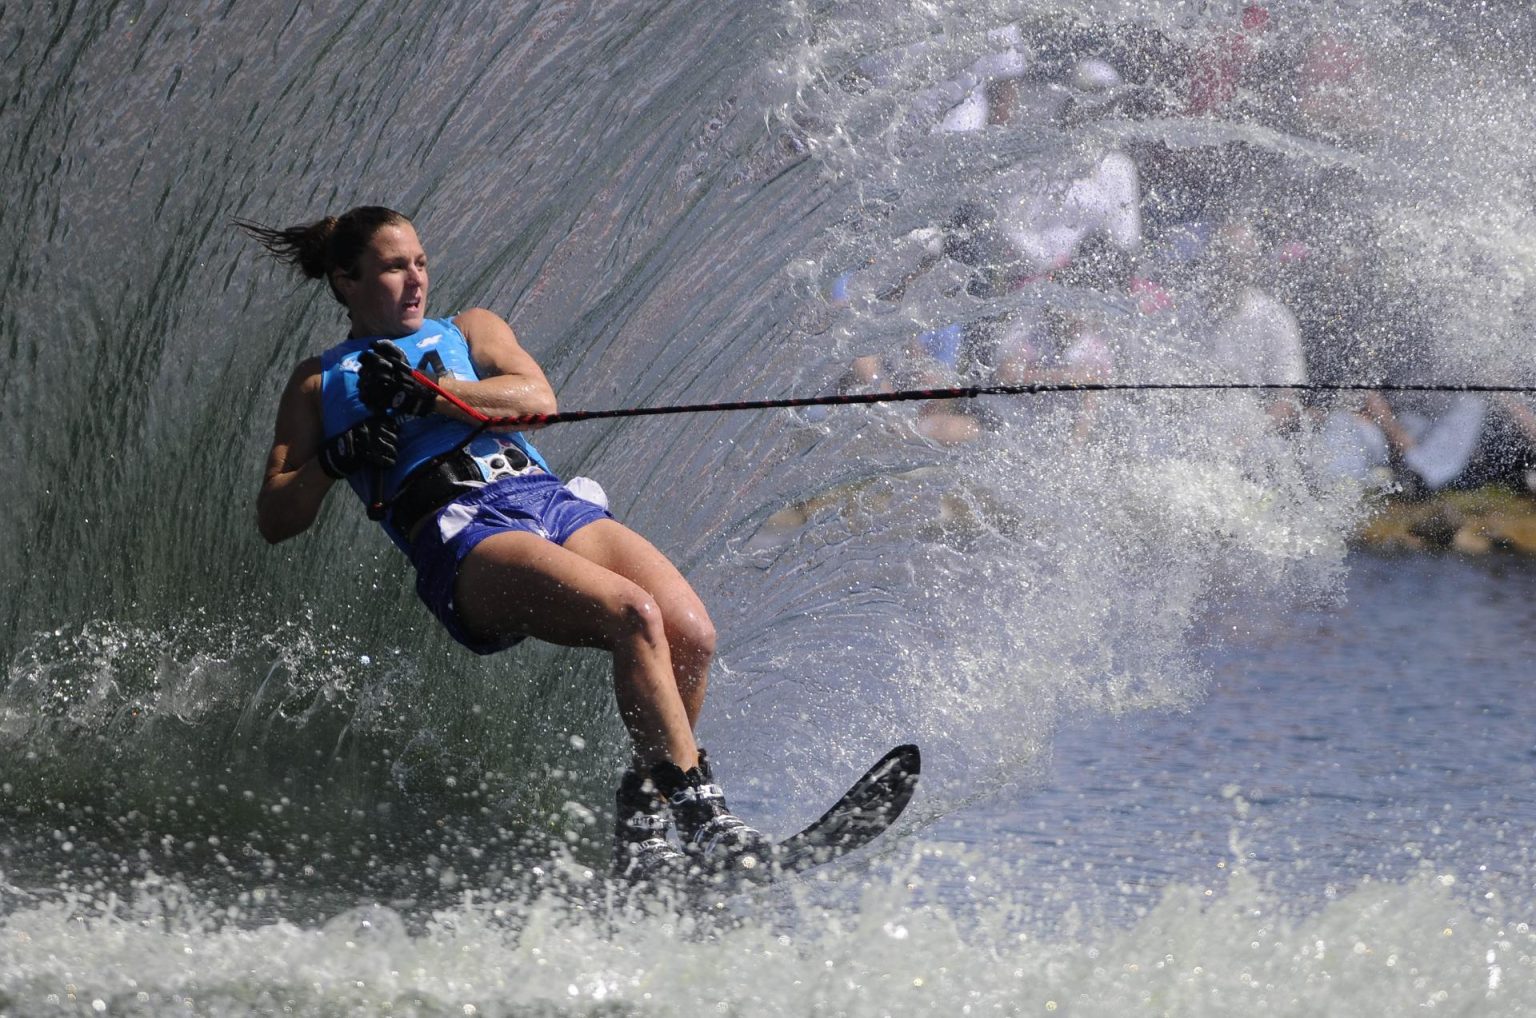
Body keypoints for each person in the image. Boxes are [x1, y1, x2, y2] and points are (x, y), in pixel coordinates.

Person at [241, 205, 769, 884]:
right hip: (462, 532)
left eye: (421, 263)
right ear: (346, 280)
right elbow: (276, 516)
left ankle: (643, 818)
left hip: (543, 498)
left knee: (690, 633)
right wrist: (335, 459)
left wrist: (431, 395)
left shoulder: (470, 330)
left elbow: (537, 397)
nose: (415, 281)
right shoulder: (320, 383)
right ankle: (706, 825)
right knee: (632, 616)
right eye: (394, 268)